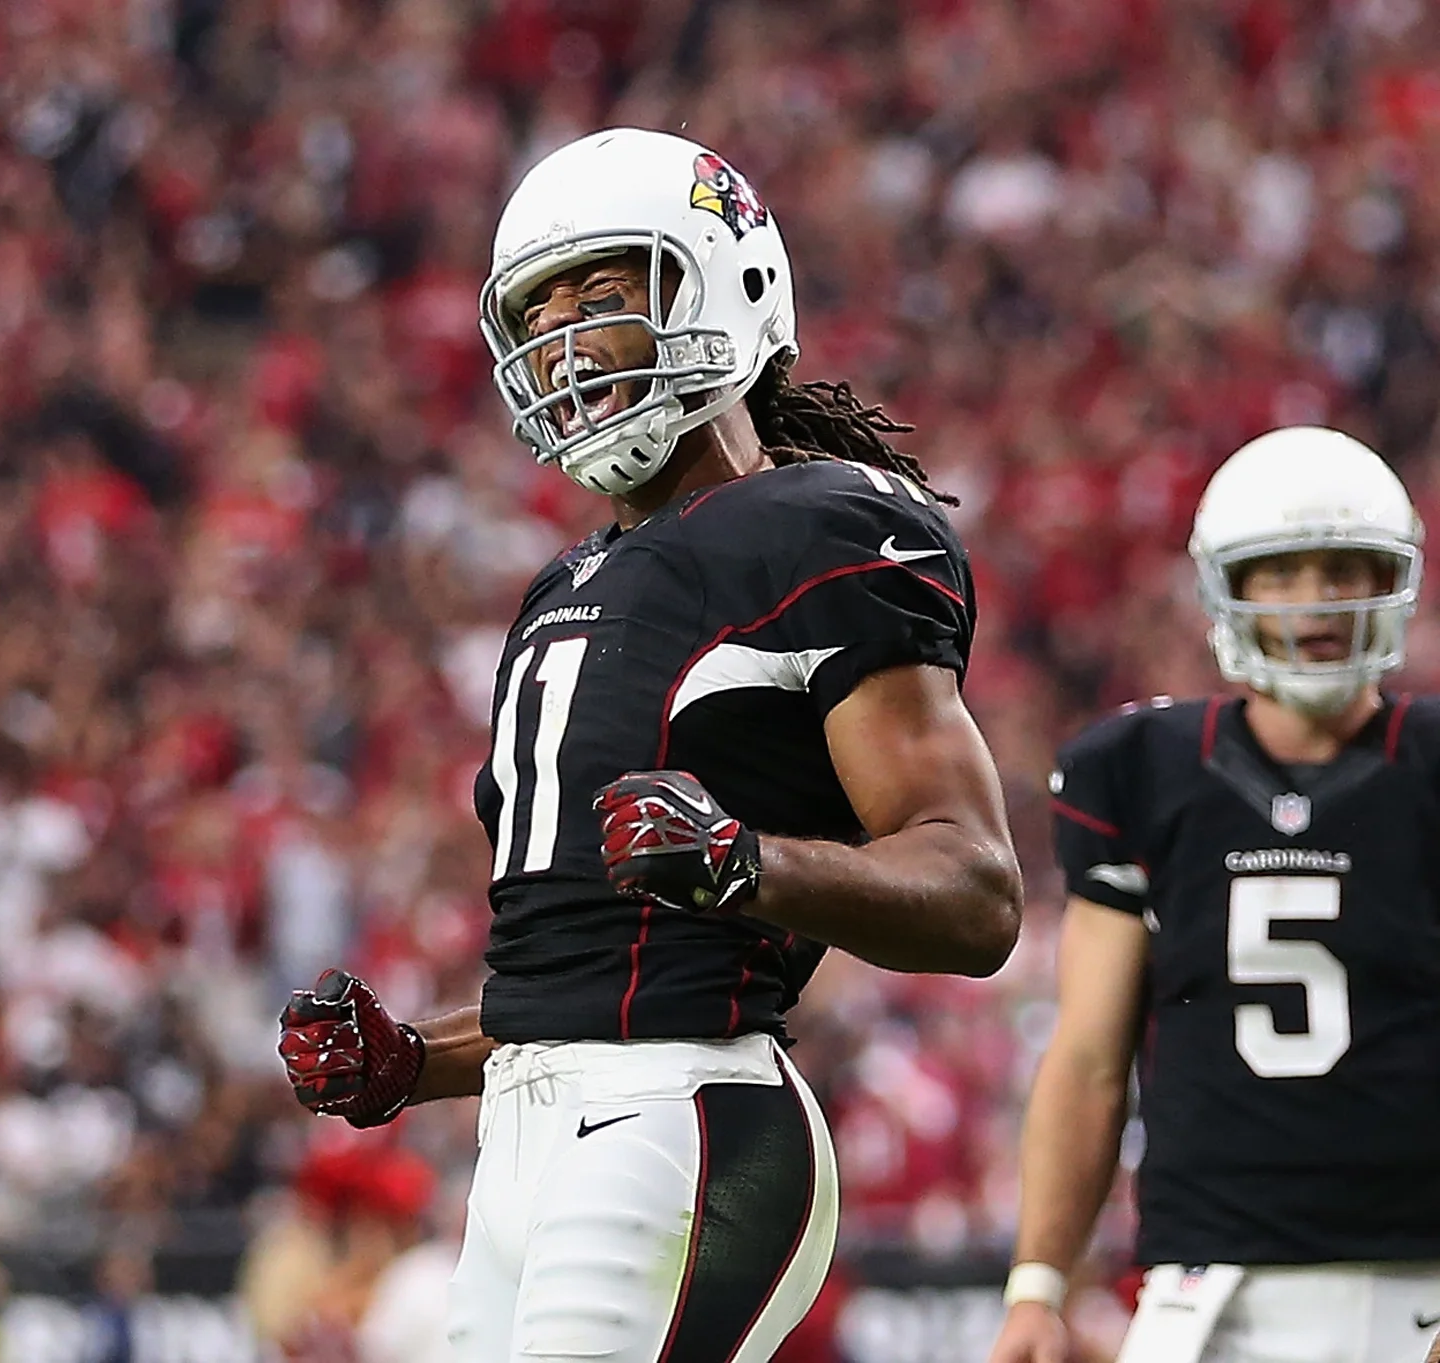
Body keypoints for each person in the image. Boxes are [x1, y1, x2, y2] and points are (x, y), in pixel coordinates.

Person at [278, 127, 1024, 1362]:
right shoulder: (567, 580)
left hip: (687, 1116)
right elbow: (588, 976)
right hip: (531, 1145)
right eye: (543, 307)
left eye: (606, 290)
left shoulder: (818, 523)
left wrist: (750, 864)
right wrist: (418, 1058)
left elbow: (976, 888)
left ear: (725, 282)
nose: (568, 335)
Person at [988, 426, 1440, 1363]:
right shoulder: (1140, 770)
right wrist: (1039, 1283)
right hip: (1210, 1275)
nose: (1318, 601)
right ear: (1227, 587)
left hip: (1420, 1268)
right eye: (1284, 572)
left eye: (1346, 569)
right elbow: (1088, 1055)